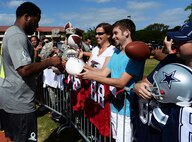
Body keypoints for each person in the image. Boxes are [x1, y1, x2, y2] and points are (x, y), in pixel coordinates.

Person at [0, 2, 62, 142]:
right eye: (36, 21)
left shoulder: (13, 33)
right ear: (27, 17)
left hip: (13, 98)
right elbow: (24, 69)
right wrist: (50, 61)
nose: (37, 26)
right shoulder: (17, 36)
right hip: (19, 102)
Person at [78, 19, 145, 141]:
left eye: (115, 33)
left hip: (127, 108)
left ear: (126, 32)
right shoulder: (116, 53)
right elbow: (103, 73)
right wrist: (83, 71)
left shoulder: (136, 54)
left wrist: (92, 76)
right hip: (114, 104)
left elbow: (121, 82)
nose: (113, 37)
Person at [133, 21, 192, 142]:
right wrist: (138, 86)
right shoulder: (171, 61)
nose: (174, 44)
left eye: (181, 41)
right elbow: (145, 82)